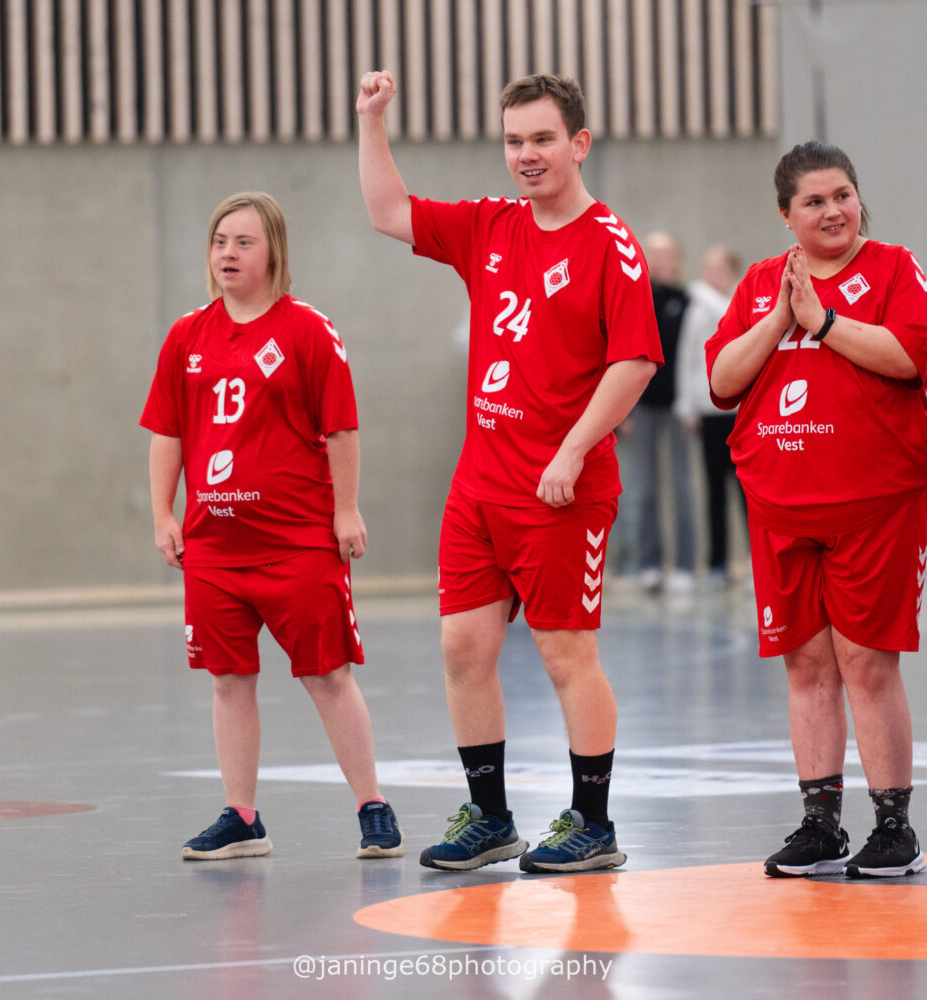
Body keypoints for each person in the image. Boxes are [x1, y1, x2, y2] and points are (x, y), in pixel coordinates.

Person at [357, 70, 662, 873]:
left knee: (566, 656)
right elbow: (388, 211)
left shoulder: (611, 244)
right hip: (480, 487)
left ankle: (593, 824)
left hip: (562, 491)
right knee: (463, 647)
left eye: (542, 139)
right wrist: (372, 119)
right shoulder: (490, 226)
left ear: (578, 144)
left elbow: (635, 360)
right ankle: (490, 819)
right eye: (514, 141)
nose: (527, 154)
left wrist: (572, 449)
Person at [140, 192, 403, 861]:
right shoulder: (186, 335)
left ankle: (372, 806)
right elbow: (167, 430)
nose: (227, 253)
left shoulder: (307, 330)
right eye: (219, 241)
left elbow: (341, 426)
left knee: (328, 676)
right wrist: (164, 513)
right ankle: (242, 817)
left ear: (273, 252)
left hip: (297, 543)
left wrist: (346, 508)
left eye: (243, 242)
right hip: (214, 547)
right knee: (228, 681)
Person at [706, 142, 927, 878]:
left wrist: (825, 320)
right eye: (814, 201)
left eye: (843, 195)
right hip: (781, 505)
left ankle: (894, 828)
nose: (834, 210)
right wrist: (782, 317)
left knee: (866, 660)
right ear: (786, 215)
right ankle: (821, 825)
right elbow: (722, 379)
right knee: (805, 663)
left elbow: (908, 355)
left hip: (874, 505)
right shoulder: (760, 284)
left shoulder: (894, 268)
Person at [617, 233, 696, 593]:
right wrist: (623, 411)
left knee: (681, 487)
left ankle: (684, 565)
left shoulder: (687, 301)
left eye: (667, 254)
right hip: (643, 407)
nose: (661, 260)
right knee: (644, 487)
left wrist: (692, 404)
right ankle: (649, 563)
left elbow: (696, 358)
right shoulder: (635, 300)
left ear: (677, 260)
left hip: (678, 407)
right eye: (655, 255)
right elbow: (622, 354)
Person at [674, 245, 746, 584]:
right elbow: (687, 358)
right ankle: (717, 563)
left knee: (747, 492)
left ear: (732, 272)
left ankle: (756, 562)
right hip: (709, 410)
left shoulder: (743, 303)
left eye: (719, 269)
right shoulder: (697, 308)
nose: (712, 275)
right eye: (708, 269)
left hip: (741, 411)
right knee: (714, 490)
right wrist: (687, 406)